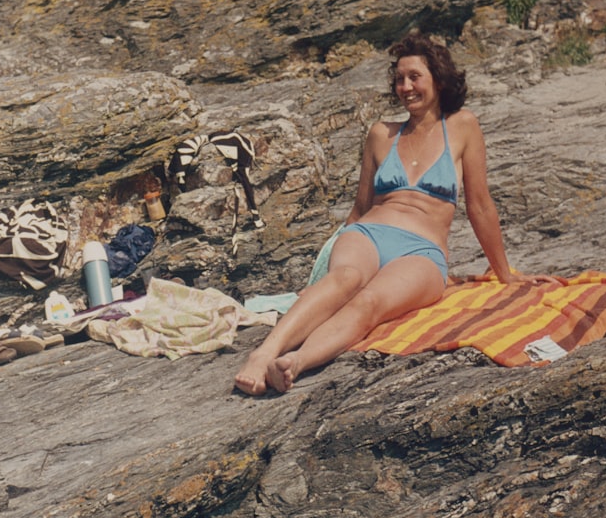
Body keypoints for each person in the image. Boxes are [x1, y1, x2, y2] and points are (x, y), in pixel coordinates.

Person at [234, 32, 556, 395]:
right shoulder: (380, 134)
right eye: (400, 79)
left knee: (370, 302)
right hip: (368, 235)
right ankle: (264, 355)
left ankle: (296, 362)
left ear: (438, 78)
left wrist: (506, 275)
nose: (406, 87)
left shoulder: (463, 126)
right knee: (344, 281)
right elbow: (360, 207)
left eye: (415, 77)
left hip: (422, 251)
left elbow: (480, 206)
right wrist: (318, 275)